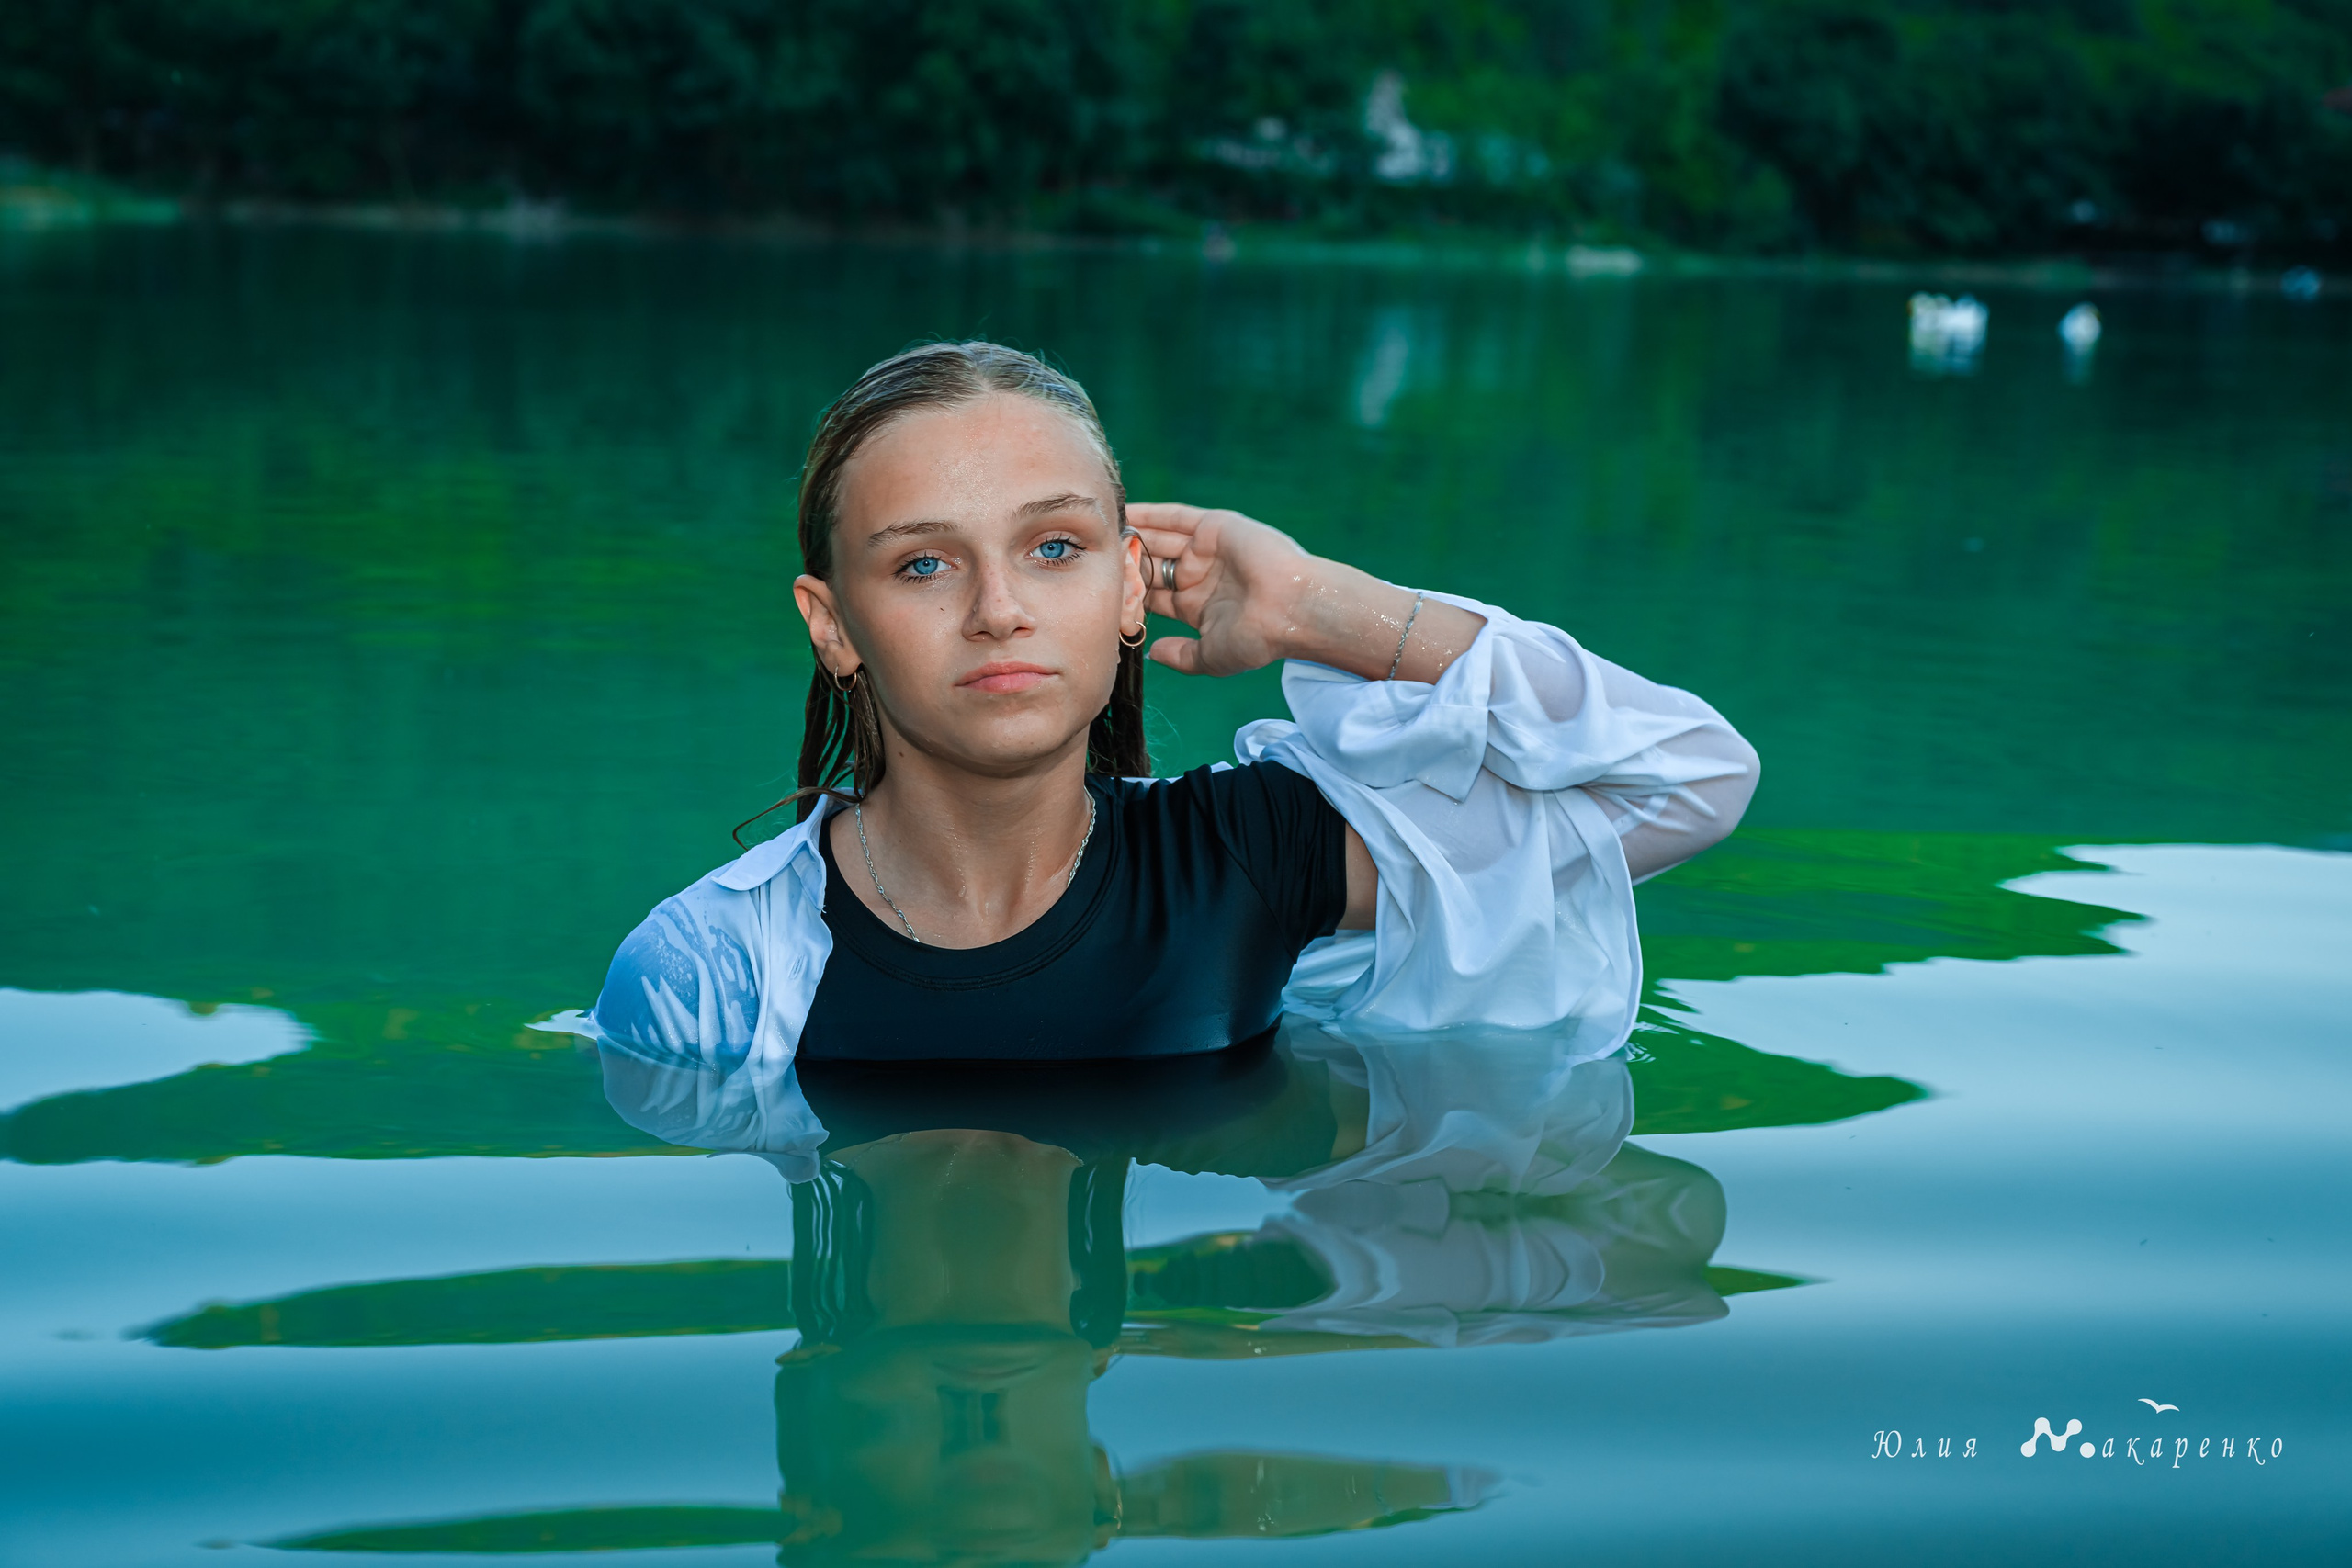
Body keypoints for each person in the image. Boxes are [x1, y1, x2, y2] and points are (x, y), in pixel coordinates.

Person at [569, 340, 1757, 1066]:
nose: (999, 611)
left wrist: (1325, 609)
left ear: (1129, 588)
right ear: (834, 627)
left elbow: (1690, 781)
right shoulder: (714, 971)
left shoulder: (1250, 857)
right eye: (923, 564)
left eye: (1055, 548)